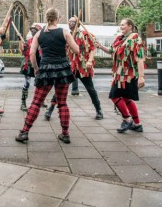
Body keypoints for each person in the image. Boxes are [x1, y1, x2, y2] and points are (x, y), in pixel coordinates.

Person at [15, 8, 80, 144]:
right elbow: (77, 50)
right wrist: (69, 42)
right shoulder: (64, 32)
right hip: (62, 69)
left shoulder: (39, 34)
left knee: (36, 102)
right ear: (58, 18)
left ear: (46, 17)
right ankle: (65, 134)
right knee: (62, 103)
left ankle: (24, 132)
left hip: (45, 69)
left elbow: (32, 54)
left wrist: (36, 69)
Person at [45, 16, 103, 121]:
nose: (70, 23)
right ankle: (50, 109)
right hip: (71, 66)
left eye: (72, 22)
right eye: (69, 21)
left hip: (83, 66)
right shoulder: (67, 35)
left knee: (90, 89)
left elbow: (93, 48)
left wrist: (90, 60)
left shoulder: (85, 34)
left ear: (78, 23)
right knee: (60, 87)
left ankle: (99, 110)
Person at [95, 18, 145, 133]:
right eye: (120, 25)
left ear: (130, 26)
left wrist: (141, 77)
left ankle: (127, 120)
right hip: (119, 74)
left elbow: (140, 58)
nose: (121, 27)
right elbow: (112, 51)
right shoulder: (120, 39)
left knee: (114, 96)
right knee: (127, 98)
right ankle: (137, 124)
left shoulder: (135, 39)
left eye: (123, 25)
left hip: (129, 75)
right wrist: (100, 46)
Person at [18, 24, 44, 111]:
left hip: (39, 64)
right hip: (29, 65)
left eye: (35, 30)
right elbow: (22, 52)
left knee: (40, 83)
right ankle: (23, 103)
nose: (33, 31)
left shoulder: (42, 42)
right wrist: (20, 41)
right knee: (27, 84)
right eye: (32, 30)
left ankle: (40, 101)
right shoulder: (28, 42)